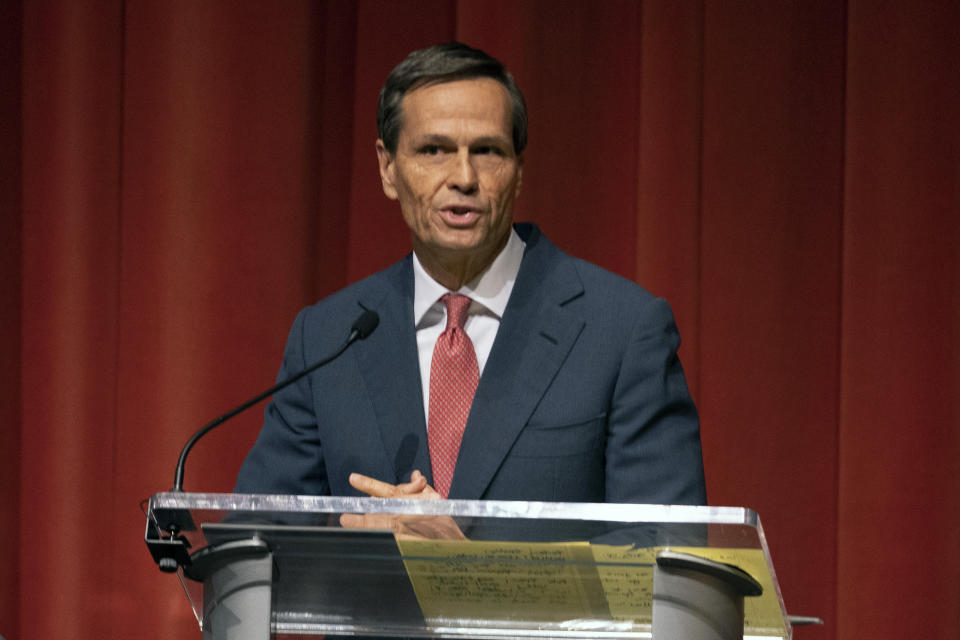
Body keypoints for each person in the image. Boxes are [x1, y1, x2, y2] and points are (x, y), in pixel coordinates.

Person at [234, 42, 706, 508]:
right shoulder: (327, 339)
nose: (464, 176)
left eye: (486, 150)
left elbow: (664, 555)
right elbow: (258, 539)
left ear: (518, 169)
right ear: (387, 168)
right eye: (434, 150)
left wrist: (455, 558)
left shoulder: (621, 331)